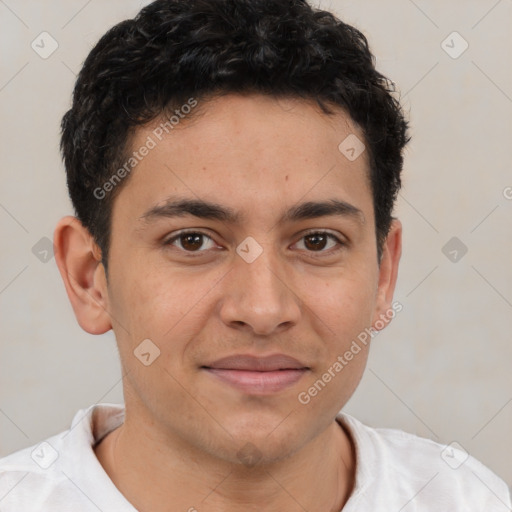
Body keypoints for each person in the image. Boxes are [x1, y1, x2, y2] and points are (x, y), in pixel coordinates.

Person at [0, 0, 510, 510]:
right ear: (90, 278)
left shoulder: (467, 498)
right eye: (193, 241)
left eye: (317, 241)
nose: (263, 311)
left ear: (383, 274)